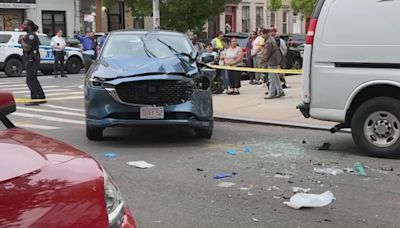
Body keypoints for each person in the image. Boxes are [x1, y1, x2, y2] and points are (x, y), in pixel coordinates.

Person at [19, 19, 46, 106]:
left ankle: (35, 99)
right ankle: (41, 97)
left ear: (29, 26)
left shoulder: (31, 35)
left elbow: (27, 48)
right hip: (31, 58)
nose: (23, 26)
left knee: (30, 80)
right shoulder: (28, 35)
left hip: (32, 58)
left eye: (24, 24)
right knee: (33, 78)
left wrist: (22, 41)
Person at [260, 29, 284, 99]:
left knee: (272, 78)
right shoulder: (271, 39)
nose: (261, 36)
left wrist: (263, 60)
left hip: (272, 61)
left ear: (266, 34)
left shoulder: (269, 42)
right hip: (275, 60)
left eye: (262, 34)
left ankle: (272, 93)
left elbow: (268, 53)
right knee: (276, 77)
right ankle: (280, 91)